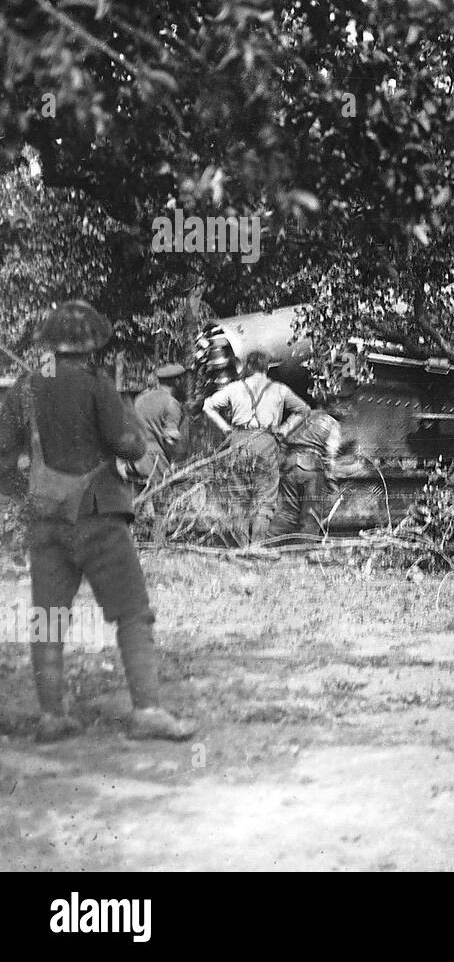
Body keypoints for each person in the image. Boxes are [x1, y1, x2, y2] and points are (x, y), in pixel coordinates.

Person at [0, 300, 195, 741]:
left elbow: (2, 457)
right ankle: (146, 711)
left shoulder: (25, 388)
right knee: (132, 613)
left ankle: (53, 716)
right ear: (94, 345)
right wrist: (132, 433)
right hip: (99, 514)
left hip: (46, 520)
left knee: (48, 617)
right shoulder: (96, 385)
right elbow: (126, 445)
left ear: (49, 343)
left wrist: (28, 495)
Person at [202, 350, 309, 543]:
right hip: (265, 442)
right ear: (266, 367)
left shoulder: (234, 388)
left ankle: (242, 547)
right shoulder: (279, 389)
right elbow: (304, 409)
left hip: (238, 442)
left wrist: (226, 428)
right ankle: (256, 547)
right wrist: (285, 429)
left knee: (238, 497)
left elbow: (207, 406)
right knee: (265, 499)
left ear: (247, 367)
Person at [270, 402, 344, 539]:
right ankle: (306, 551)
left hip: (289, 465)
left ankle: (267, 545)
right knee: (311, 513)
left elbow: (281, 437)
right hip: (312, 466)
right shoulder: (332, 423)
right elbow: (330, 455)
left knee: (287, 511)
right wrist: (332, 479)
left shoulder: (297, 416)